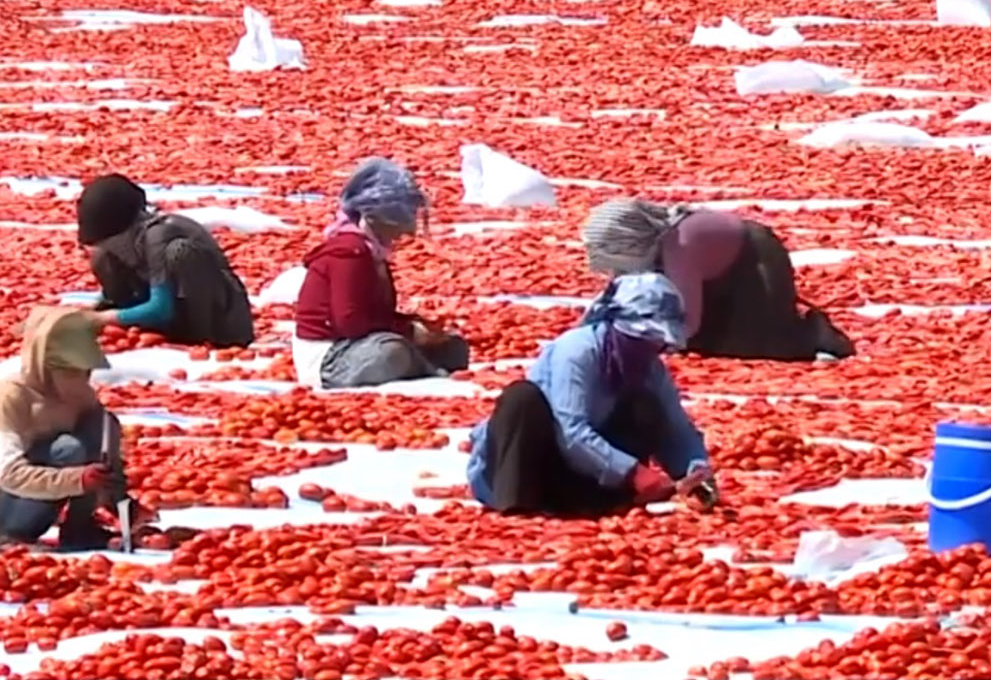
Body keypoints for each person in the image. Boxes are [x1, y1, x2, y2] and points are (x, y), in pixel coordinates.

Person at [466, 273, 713, 517]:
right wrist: (631, 472)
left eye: (656, 344)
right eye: (638, 341)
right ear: (616, 328)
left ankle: (603, 502)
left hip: (576, 477)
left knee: (647, 406)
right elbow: (571, 431)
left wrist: (695, 472)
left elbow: (676, 427)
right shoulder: (577, 352)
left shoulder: (650, 367)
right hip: (538, 461)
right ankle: (518, 508)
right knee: (521, 398)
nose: (647, 351)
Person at [580, 198, 853, 362]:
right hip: (713, 278)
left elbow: (689, 320)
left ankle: (814, 331)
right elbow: (615, 294)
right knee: (706, 345)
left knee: (759, 348)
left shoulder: (679, 244)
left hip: (754, 260)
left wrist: (643, 345)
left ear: (629, 240)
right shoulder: (647, 246)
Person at [292, 158, 470, 389]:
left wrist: (417, 326)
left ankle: (421, 366)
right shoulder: (349, 252)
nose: (404, 229)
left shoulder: (371, 251)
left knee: (453, 346)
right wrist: (409, 332)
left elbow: (376, 315)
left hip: (360, 344)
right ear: (376, 217)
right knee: (391, 352)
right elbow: (350, 322)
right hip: (330, 356)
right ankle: (423, 368)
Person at [0, 307, 134, 550]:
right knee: (68, 449)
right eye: (71, 370)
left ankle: (80, 529)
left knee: (103, 424)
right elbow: (7, 474)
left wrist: (122, 503)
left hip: (48, 490)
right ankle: (10, 534)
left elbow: (103, 452)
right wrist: (75, 479)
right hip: (8, 499)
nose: (81, 378)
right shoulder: (11, 396)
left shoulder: (80, 396)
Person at [77, 174, 254, 349]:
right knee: (102, 259)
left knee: (180, 252)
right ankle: (148, 328)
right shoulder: (119, 249)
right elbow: (110, 298)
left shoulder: (159, 234)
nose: (110, 248)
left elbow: (162, 308)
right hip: (171, 313)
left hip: (220, 322)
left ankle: (195, 338)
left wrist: (105, 318)